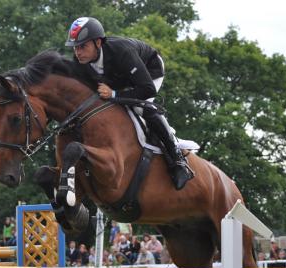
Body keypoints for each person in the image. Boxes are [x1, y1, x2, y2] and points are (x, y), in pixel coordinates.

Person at [65, 17, 194, 190]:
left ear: (97, 42)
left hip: (149, 72)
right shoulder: (80, 62)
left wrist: (115, 94)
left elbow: (147, 89)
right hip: (120, 78)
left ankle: (178, 160)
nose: (78, 52)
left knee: (141, 107)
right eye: (75, 47)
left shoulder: (121, 52)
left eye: (82, 46)